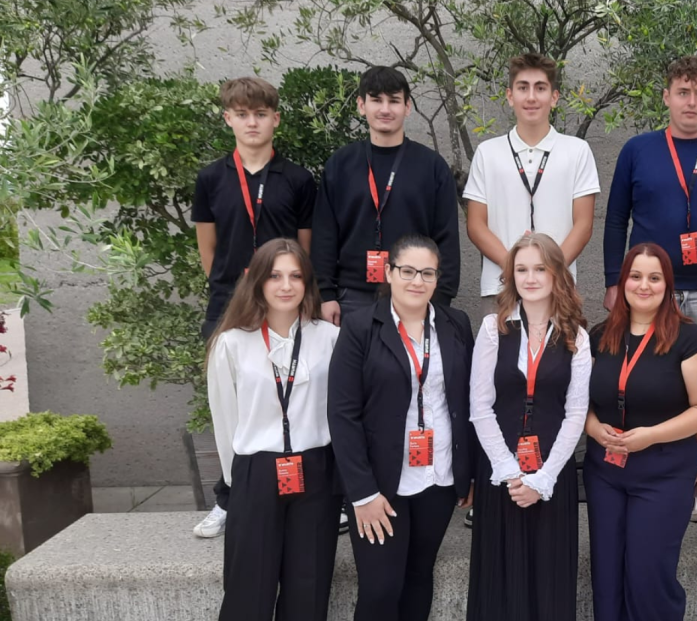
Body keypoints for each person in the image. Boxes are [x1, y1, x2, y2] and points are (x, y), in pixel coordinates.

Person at [192, 76, 317, 538]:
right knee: (231, 405)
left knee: (288, 399)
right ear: (228, 118)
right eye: (242, 114)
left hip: (285, 302)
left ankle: (302, 494)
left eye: (260, 114)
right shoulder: (211, 177)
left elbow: (304, 252)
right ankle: (229, 498)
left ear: (275, 119)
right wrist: (235, 291)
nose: (252, 122)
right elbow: (209, 249)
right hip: (230, 303)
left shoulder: (299, 179)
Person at [327, 235, 476, 621]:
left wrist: (469, 472)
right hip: (380, 484)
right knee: (380, 588)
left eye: (427, 273)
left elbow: (468, 402)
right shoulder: (361, 326)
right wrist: (361, 493)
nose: (417, 281)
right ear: (389, 273)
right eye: (407, 271)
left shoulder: (456, 323)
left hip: (439, 477)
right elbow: (342, 414)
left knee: (418, 577)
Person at [205, 238, 341, 621]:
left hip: (315, 471)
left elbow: (341, 413)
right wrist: (236, 481)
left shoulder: (330, 338)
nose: (286, 285)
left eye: (296, 276)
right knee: (248, 586)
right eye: (276, 276)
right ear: (259, 281)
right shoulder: (231, 343)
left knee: (309, 586)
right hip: (254, 473)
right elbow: (225, 418)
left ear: (308, 283)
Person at [584, 242, 697, 621]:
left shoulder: (688, 338)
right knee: (607, 573)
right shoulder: (599, 336)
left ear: (668, 285)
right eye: (636, 276)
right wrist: (593, 428)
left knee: (648, 575)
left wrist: (651, 435)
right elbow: (579, 401)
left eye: (655, 278)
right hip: (605, 472)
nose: (645, 286)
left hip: (664, 471)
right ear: (622, 282)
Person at [467, 233, 591, 621]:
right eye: (521, 269)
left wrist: (543, 479)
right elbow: (480, 406)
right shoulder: (493, 327)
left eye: (540, 268)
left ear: (558, 274)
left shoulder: (577, 337)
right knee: (499, 581)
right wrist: (508, 470)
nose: (531, 277)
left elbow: (576, 414)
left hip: (552, 478)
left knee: (548, 582)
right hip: (501, 474)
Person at [603, 55, 697, 327]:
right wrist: (613, 282)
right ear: (666, 97)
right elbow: (615, 221)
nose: (692, 102)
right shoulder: (636, 150)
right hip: (650, 291)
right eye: (683, 92)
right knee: (648, 369)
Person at [313, 66, 460, 324]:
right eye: (376, 100)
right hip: (351, 296)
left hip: (415, 294)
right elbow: (325, 233)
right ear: (361, 105)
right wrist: (325, 294)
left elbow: (446, 236)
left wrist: (441, 297)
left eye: (393, 101)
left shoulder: (432, 167)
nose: (385, 109)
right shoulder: (340, 164)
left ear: (407, 107)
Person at [464, 52, 600, 300]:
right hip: (500, 287)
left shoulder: (577, 151)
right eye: (522, 87)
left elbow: (584, 225)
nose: (531, 97)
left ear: (554, 97)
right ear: (510, 96)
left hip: (559, 288)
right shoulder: (487, 152)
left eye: (540, 88)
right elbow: (475, 225)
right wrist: (516, 269)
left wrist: (548, 271)